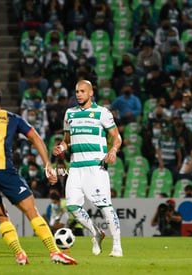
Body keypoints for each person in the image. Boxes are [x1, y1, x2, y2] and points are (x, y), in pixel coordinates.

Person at [0, 87, 77, 265]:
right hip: (4, 171)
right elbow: (35, 137)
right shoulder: (12, 118)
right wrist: (47, 164)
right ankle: (54, 252)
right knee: (31, 211)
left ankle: (19, 254)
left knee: (2, 217)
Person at [52, 80, 123, 257]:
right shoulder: (70, 113)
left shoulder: (102, 113)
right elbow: (67, 140)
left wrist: (113, 150)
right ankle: (96, 232)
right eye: (77, 91)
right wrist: (61, 148)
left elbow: (117, 138)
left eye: (82, 91)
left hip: (96, 166)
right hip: (76, 167)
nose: (79, 94)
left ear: (91, 93)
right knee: (72, 206)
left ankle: (117, 245)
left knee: (105, 206)